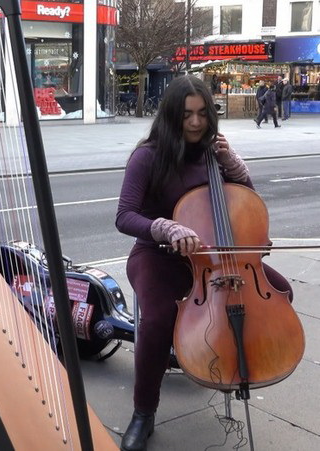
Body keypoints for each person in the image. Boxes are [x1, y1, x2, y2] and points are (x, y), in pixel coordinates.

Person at [115, 75, 293, 451]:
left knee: (281, 293)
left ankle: (223, 358)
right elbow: (125, 216)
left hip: (218, 257)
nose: (195, 123)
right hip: (158, 255)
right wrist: (164, 227)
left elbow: (248, 205)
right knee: (159, 317)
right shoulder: (147, 156)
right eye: (186, 116)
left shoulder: (215, 154)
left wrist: (235, 167)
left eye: (202, 114)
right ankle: (143, 413)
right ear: (170, 117)